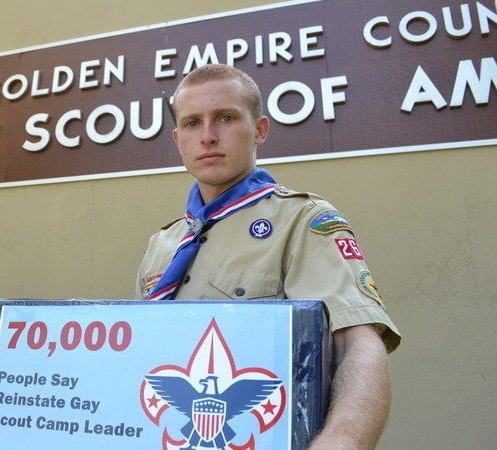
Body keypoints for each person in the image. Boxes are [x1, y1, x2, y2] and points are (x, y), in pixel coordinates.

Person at [136, 64, 400, 449]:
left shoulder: (303, 221)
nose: (207, 136)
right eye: (192, 123)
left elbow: (356, 344)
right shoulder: (162, 244)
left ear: (260, 129)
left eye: (226, 118)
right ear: (178, 139)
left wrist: (341, 441)